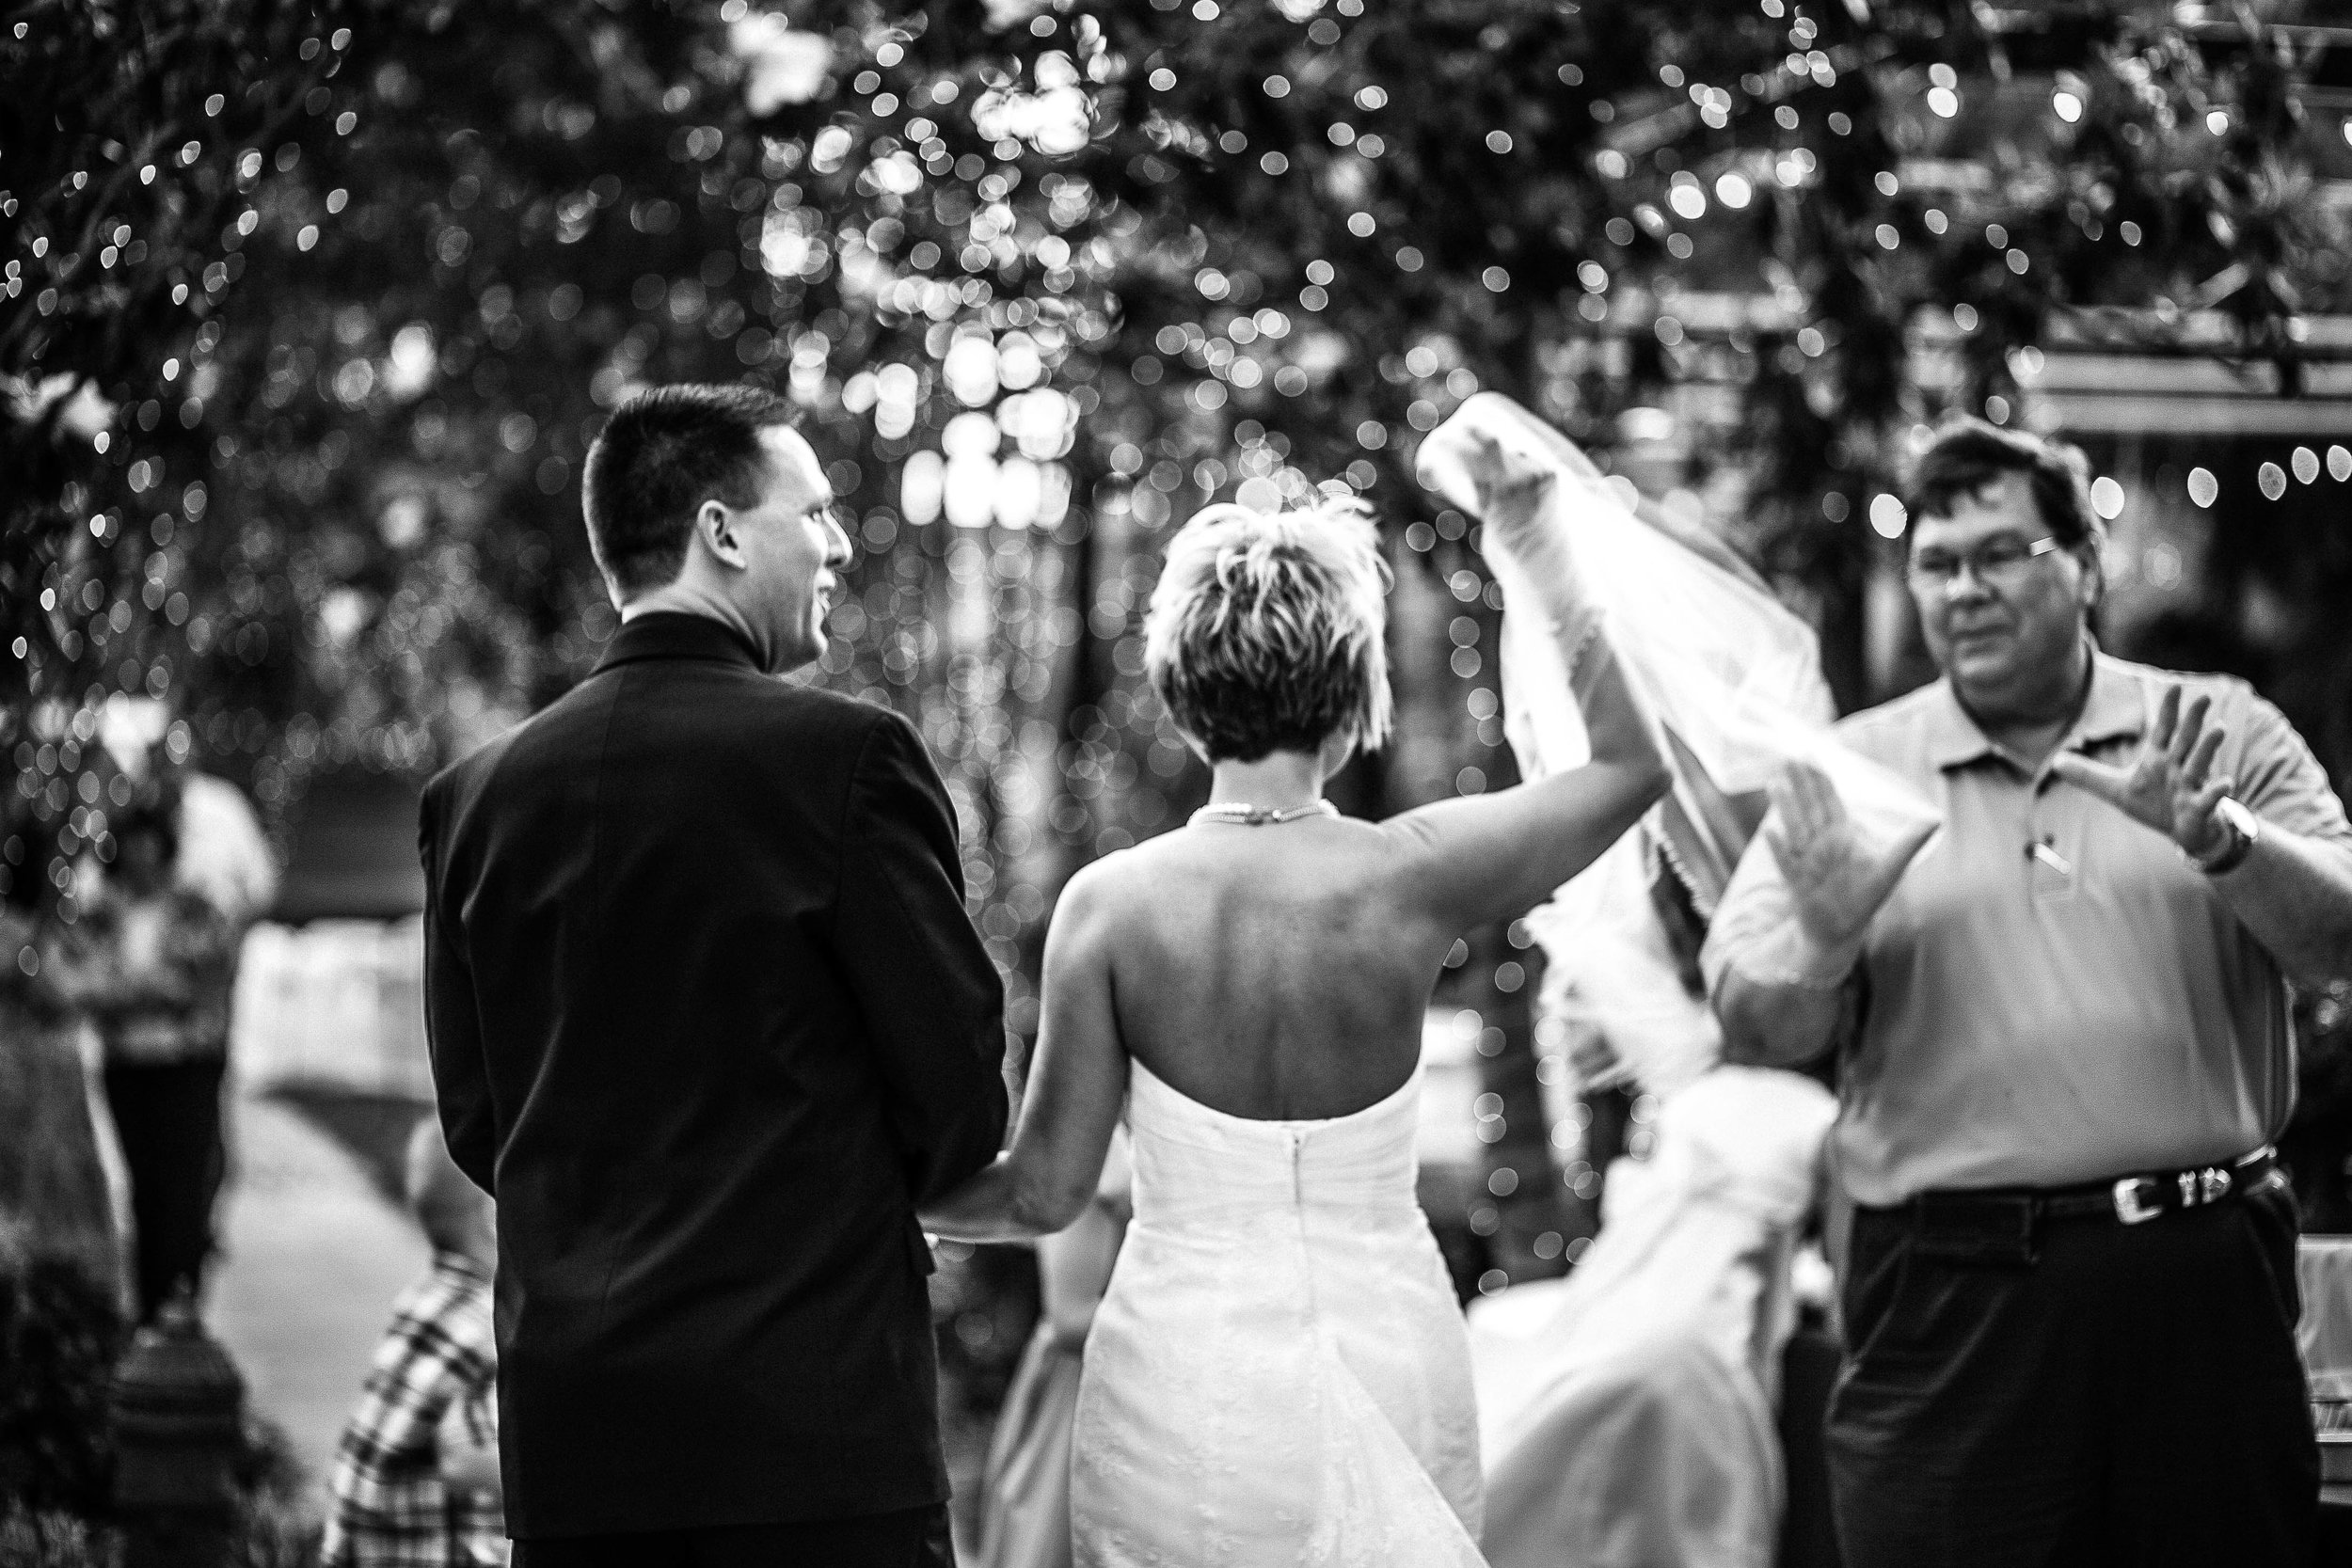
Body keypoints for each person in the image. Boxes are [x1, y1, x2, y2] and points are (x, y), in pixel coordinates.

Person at [921, 462, 1669, 1565]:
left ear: (1178, 684)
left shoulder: (1111, 908)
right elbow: (1632, 765)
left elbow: (1041, 1192)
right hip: (1388, 1344)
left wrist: (879, 1196)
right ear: (1351, 689)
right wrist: (1536, 541)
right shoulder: (1414, 874)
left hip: (1182, 1375)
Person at [1702, 417, 2352, 1566]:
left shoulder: (2216, 731)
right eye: (1937, 563)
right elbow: (1754, 1026)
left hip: (2202, 1285)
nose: (1965, 590)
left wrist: (2225, 840)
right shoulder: (1850, 773)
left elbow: (2340, 942)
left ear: (2085, 565)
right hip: (1953, 1303)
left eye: (2002, 553)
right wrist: (1823, 929)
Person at [420, 384, 1008, 1566]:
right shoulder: (846, 761)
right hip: (812, 1439)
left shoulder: (475, 800)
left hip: (578, 1450)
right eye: (815, 512)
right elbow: (956, 1094)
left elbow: (482, 1124)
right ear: (721, 531)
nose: (837, 543)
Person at [63, 785, 246, 1322]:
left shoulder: (193, 906)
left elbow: (205, 980)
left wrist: (138, 992)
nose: (142, 857)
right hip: (128, 1066)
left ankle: (181, 1295)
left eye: (150, 845)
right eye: (133, 845)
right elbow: (82, 986)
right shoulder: (101, 914)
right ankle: (150, 1305)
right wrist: (145, 992)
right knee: (142, 1185)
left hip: (186, 1065)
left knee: (185, 1183)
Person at [322, 1118, 504, 1568]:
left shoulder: (422, 1302)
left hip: (363, 1550)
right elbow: (469, 1464)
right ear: (491, 1216)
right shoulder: (486, 1332)